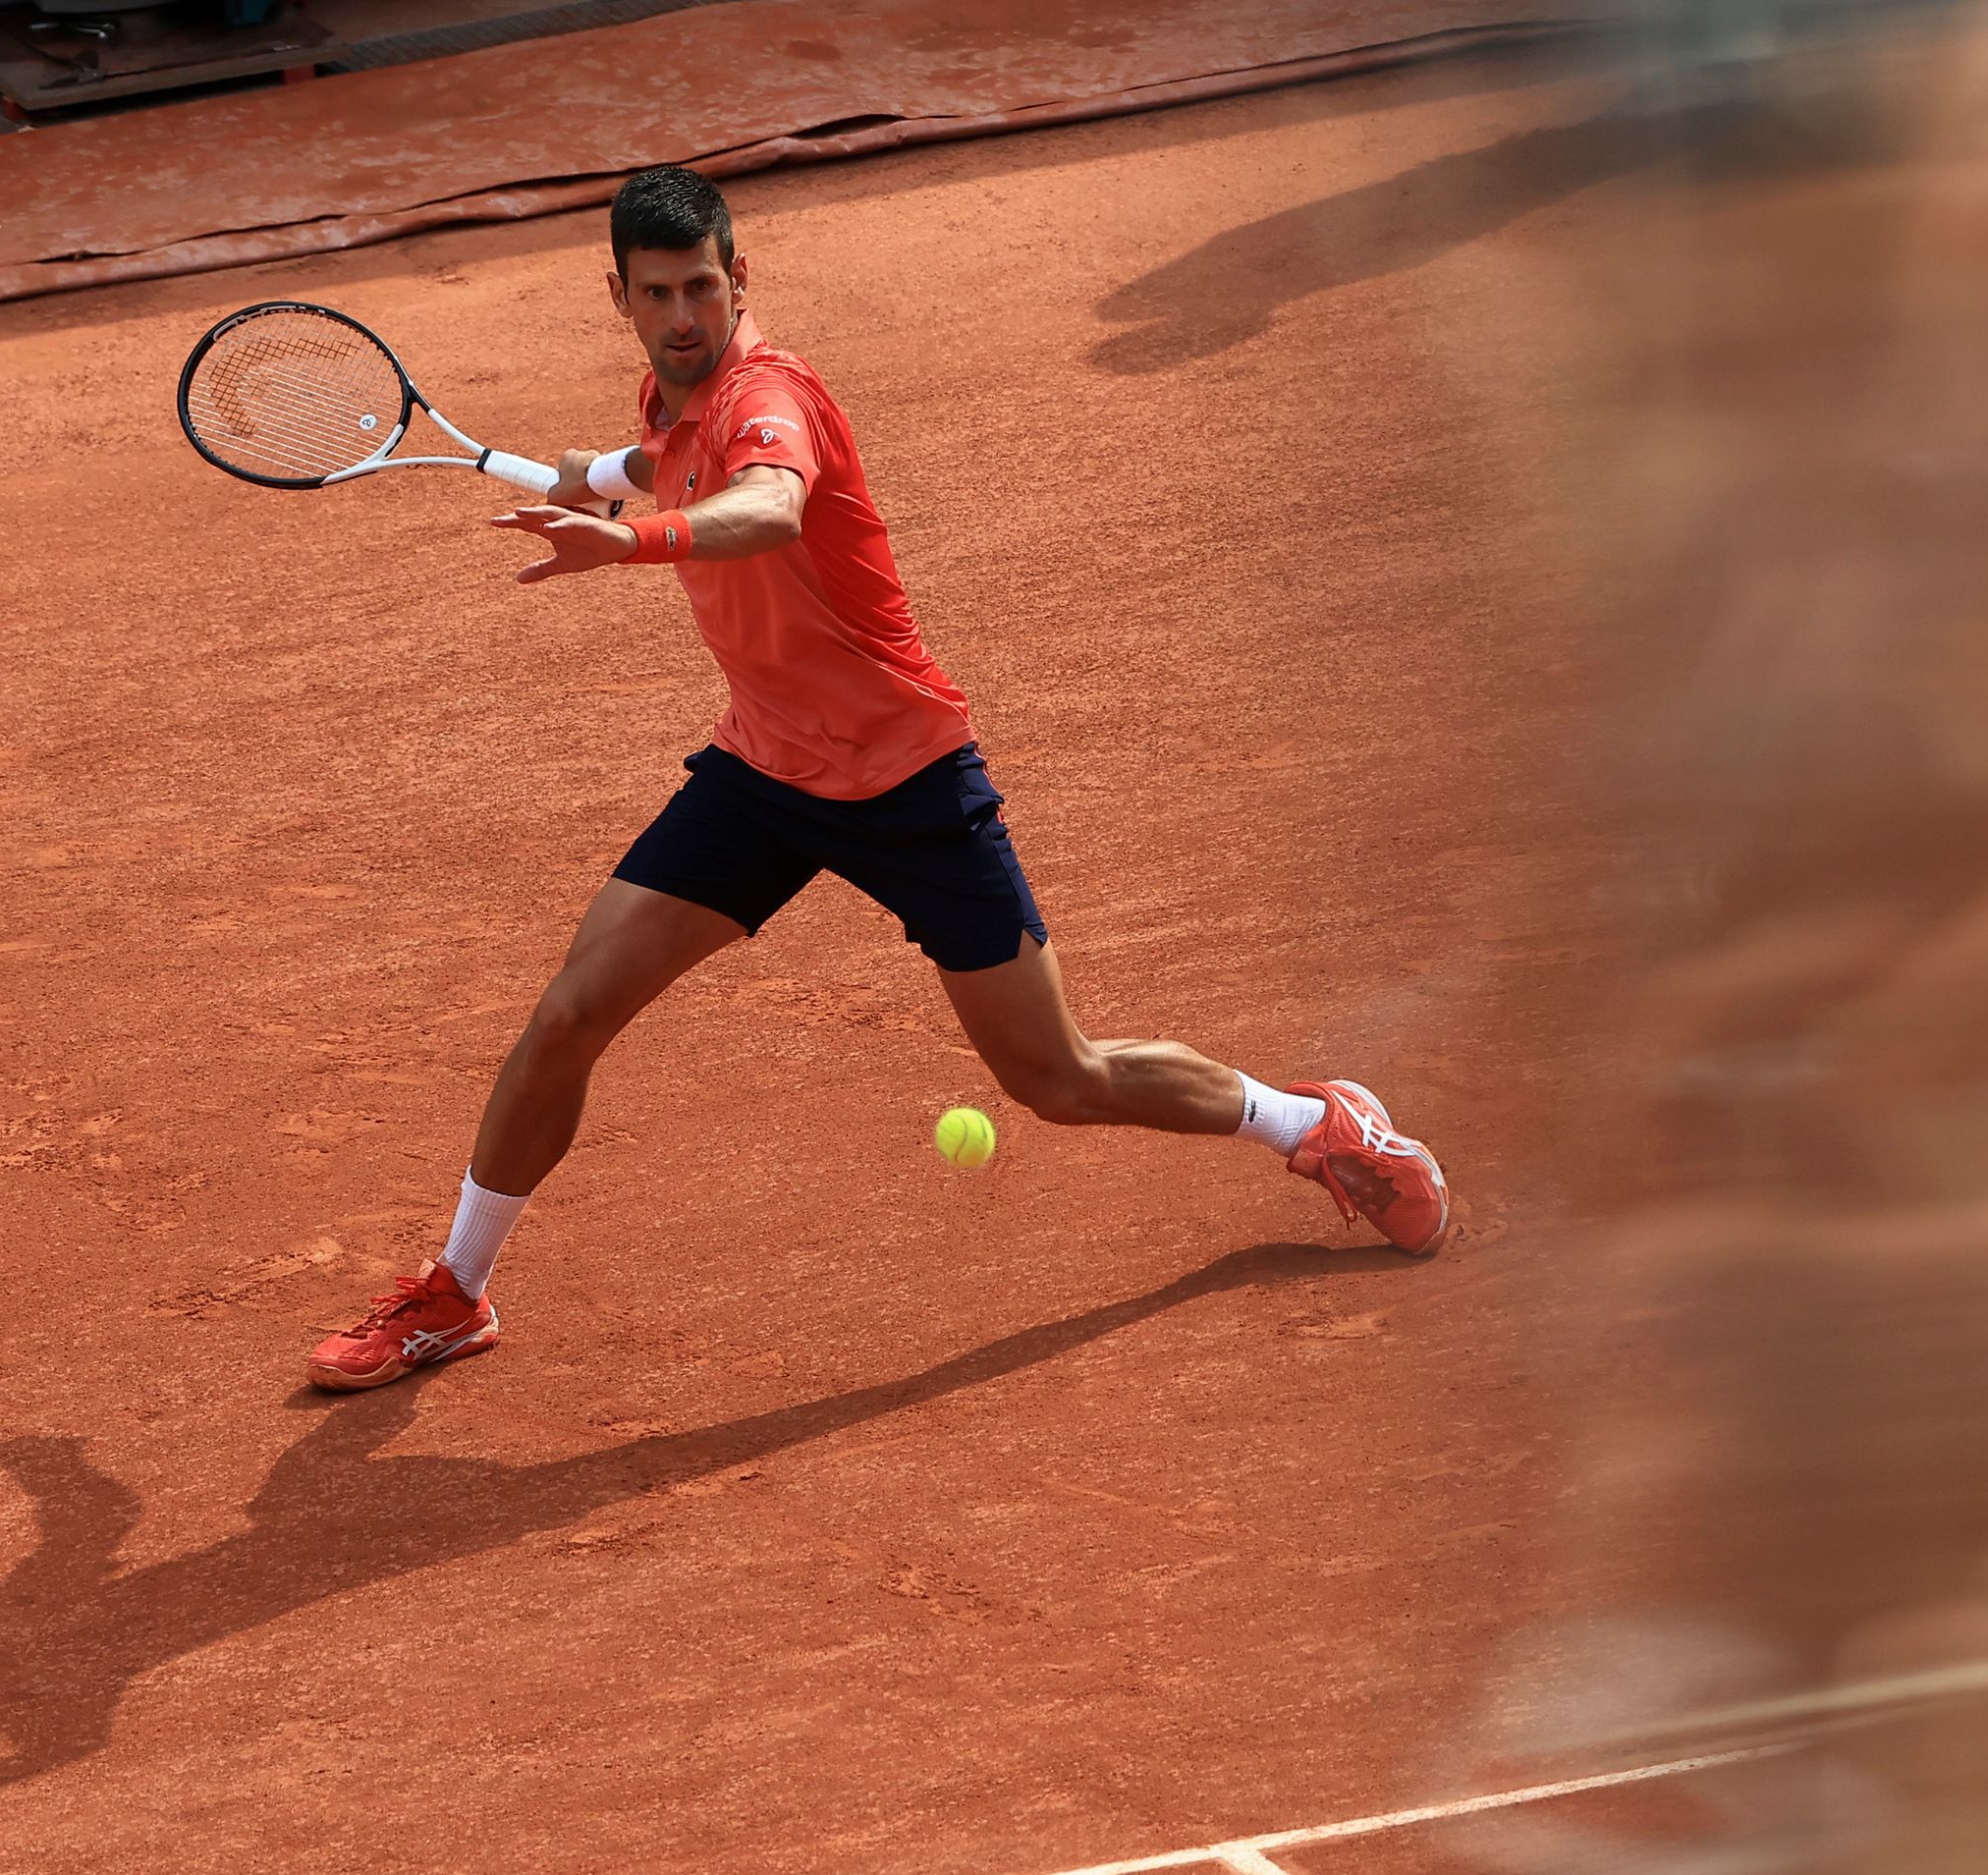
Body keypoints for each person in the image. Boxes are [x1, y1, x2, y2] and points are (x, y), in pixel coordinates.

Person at [302, 167, 1449, 1390]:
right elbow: (658, 457)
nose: (686, 314)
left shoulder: (771, 398)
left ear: (742, 278)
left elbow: (767, 505)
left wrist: (631, 539)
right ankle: (456, 1292)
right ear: (622, 300)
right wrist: (596, 480)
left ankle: (1313, 1123)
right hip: (763, 773)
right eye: (659, 295)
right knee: (571, 1015)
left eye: (704, 287)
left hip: (907, 781)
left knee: (1057, 1077)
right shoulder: (674, 396)